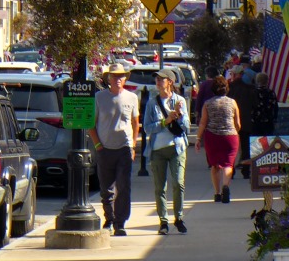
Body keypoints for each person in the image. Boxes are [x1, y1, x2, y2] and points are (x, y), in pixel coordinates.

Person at [86, 63, 140, 236]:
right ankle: (109, 218)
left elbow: (135, 123)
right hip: (105, 149)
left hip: (124, 148)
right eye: (114, 76)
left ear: (125, 79)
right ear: (108, 78)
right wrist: (98, 145)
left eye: (121, 76)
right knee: (106, 189)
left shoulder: (132, 97)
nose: (118, 79)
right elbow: (91, 124)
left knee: (124, 187)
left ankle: (120, 222)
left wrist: (133, 145)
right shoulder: (99, 97)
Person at [143, 69, 190, 235]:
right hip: (157, 150)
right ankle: (163, 222)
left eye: (161, 78)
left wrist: (180, 115)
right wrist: (165, 121)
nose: (158, 81)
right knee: (160, 187)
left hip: (177, 148)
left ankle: (179, 218)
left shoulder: (180, 100)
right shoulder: (152, 103)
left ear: (170, 81)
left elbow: (187, 127)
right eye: (157, 78)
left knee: (178, 183)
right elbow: (147, 128)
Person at [195, 73, 241, 203]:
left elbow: (203, 123)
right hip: (230, 136)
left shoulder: (207, 104)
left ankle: (217, 193)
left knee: (215, 165)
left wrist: (198, 138)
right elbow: (238, 123)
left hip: (212, 136)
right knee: (228, 164)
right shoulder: (232, 102)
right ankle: (226, 185)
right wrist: (235, 132)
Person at [229, 65, 258, 180]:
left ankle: (230, 171)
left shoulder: (229, 88)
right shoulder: (250, 89)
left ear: (236, 74)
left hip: (231, 122)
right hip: (246, 121)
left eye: (232, 74)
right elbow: (255, 105)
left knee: (232, 147)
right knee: (246, 148)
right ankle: (246, 171)